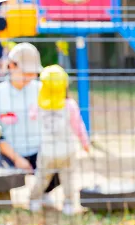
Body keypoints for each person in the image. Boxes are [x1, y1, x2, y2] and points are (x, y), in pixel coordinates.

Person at [0, 42, 60, 202]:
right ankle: (1, 198)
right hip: (8, 152)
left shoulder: (41, 90)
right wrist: (17, 158)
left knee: (59, 160)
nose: (29, 77)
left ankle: (44, 192)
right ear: (11, 66)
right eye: (25, 72)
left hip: (39, 149)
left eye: (32, 73)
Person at [29, 64, 89, 215]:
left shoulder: (38, 105)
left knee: (42, 178)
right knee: (68, 179)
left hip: (47, 150)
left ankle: (34, 200)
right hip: (67, 150)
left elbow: (32, 117)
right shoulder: (70, 105)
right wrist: (85, 143)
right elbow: (78, 126)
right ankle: (68, 204)